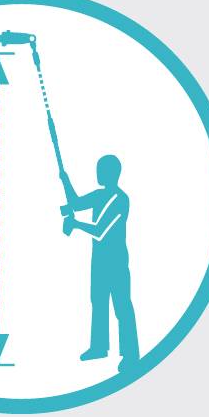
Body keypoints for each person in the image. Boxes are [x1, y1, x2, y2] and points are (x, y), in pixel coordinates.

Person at [62, 153, 139, 368]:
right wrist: (65, 179)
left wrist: (76, 225)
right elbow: (76, 204)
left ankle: (131, 354)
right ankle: (99, 347)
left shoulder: (120, 199)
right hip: (99, 261)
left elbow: (99, 231)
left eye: (101, 170)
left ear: (112, 173)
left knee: (122, 306)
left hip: (117, 262)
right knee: (98, 302)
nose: (97, 173)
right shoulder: (99, 195)